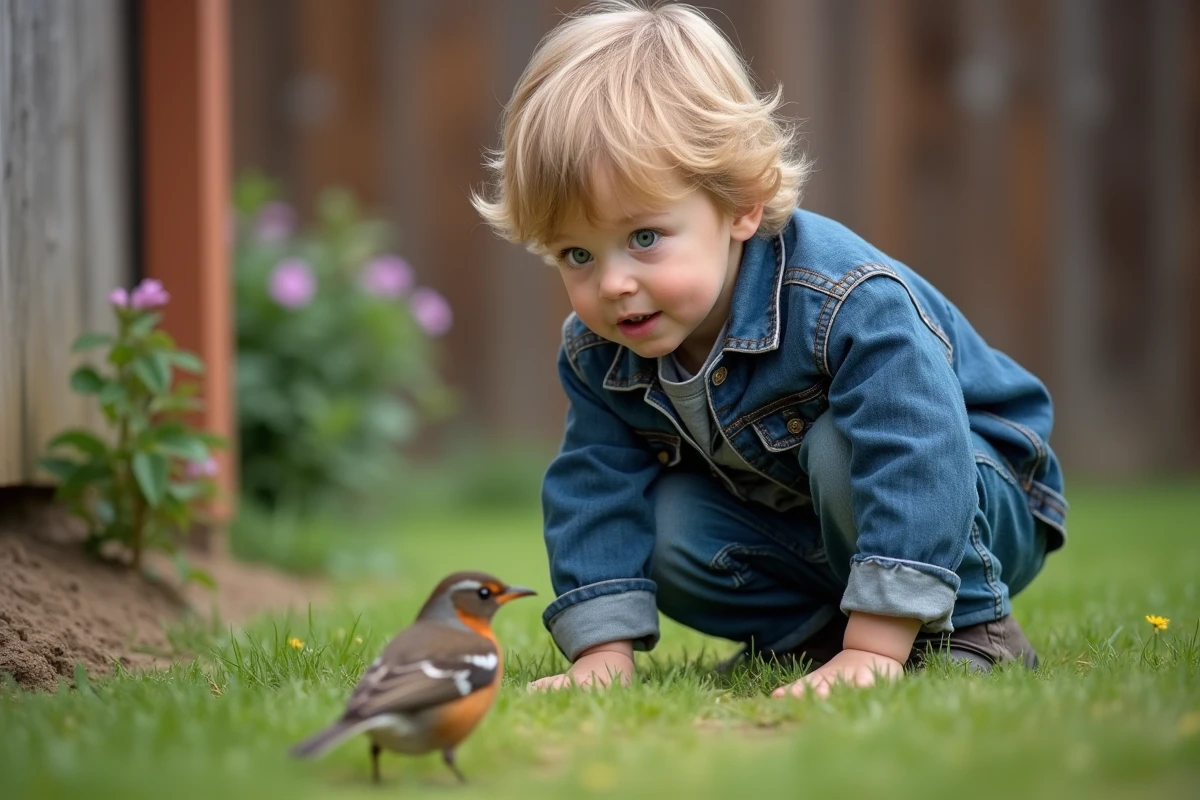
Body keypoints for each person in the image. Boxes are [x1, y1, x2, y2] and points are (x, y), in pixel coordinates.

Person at [470, 0, 1067, 698]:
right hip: (808, 522)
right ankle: (815, 637)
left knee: (842, 446)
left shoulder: (842, 300)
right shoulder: (599, 352)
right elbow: (593, 487)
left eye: (643, 238)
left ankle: (969, 627)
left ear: (741, 207)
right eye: (577, 253)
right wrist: (601, 654)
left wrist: (873, 651)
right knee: (663, 527)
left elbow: (917, 448)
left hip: (974, 492)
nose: (613, 284)